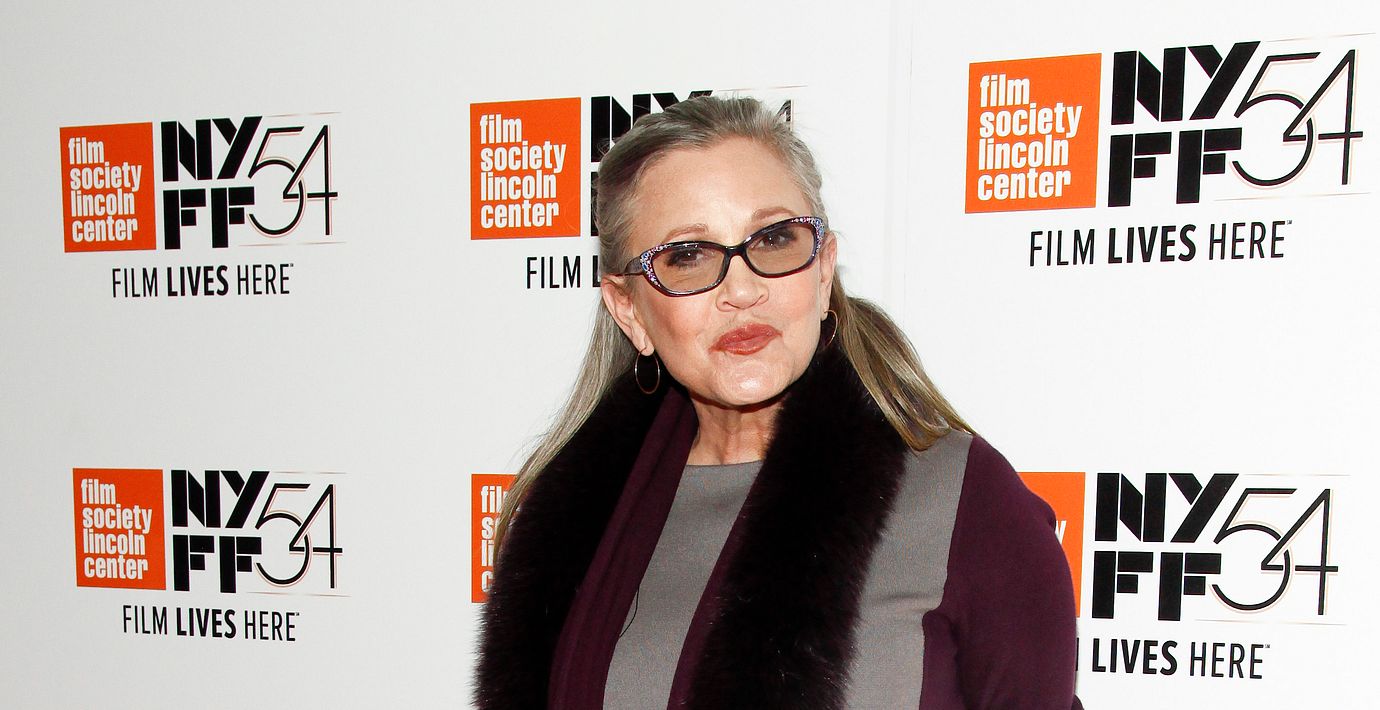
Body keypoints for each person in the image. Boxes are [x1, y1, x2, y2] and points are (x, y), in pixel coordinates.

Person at [474, 96, 1080, 709]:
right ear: (629, 310)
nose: (741, 290)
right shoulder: (571, 524)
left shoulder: (964, 500)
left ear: (823, 270)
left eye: (773, 239)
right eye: (687, 256)